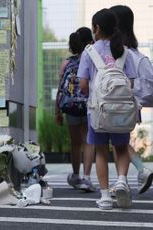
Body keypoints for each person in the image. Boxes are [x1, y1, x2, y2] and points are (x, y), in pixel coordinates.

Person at [77, 8, 136, 210]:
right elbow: (132, 84)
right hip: (121, 111)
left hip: (97, 111)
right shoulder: (125, 51)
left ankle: (104, 197)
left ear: (96, 28)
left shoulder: (89, 52)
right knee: (121, 148)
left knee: (100, 151)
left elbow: (83, 84)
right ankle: (121, 180)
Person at [110, 5, 153, 195]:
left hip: (116, 103)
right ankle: (126, 179)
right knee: (120, 142)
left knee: (117, 142)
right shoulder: (138, 55)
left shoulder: (116, 53)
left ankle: (132, 176)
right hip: (133, 106)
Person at [55, 27, 96, 192]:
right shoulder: (93, 60)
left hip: (70, 107)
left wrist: (57, 111)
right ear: (89, 42)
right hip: (88, 105)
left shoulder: (66, 63)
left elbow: (60, 89)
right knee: (88, 141)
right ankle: (87, 178)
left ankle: (75, 175)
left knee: (75, 143)